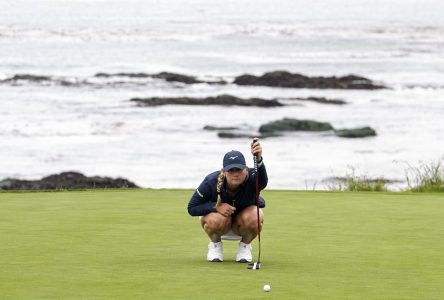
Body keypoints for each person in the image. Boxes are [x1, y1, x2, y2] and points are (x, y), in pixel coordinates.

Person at [187, 138, 268, 262]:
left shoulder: (253, 177)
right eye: (231, 170)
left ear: (246, 169)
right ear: (223, 172)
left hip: (242, 225)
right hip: (219, 225)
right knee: (215, 218)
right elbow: (192, 208)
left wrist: (258, 159)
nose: (235, 174)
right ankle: (215, 246)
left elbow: (262, 182)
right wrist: (216, 207)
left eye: (239, 170)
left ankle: (244, 247)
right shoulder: (211, 181)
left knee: (256, 214)